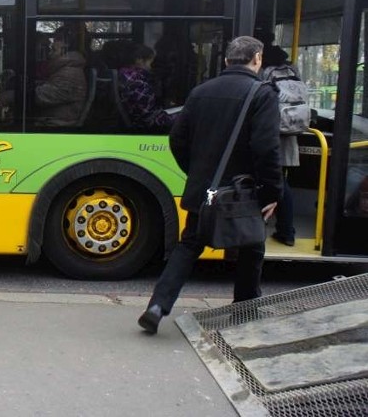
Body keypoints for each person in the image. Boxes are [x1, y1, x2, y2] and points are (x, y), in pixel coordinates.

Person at [138, 36, 282, 334]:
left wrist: (198, 173)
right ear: (257, 58)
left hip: (205, 190)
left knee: (189, 245)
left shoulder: (200, 92)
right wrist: (271, 191)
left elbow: (177, 139)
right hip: (243, 192)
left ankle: (157, 306)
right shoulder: (262, 94)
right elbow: (266, 148)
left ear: (227, 60)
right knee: (251, 247)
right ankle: (243, 313)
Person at [260, 44, 307, 246]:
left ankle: (286, 231)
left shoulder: (266, 73)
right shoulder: (292, 71)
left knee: (278, 184)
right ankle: (284, 229)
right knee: (281, 181)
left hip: (272, 136)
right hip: (290, 137)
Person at [34, 29, 87, 128]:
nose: (49, 54)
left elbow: (41, 97)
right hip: (52, 119)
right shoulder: (65, 69)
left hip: (56, 125)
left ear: (65, 48)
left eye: (53, 50)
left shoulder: (70, 74)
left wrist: (16, 94)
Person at [117, 43, 176, 133]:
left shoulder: (125, 76)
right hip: (146, 128)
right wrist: (179, 117)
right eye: (150, 62)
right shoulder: (136, 82)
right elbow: (149, 118)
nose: (151, 67)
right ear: (139, 60)